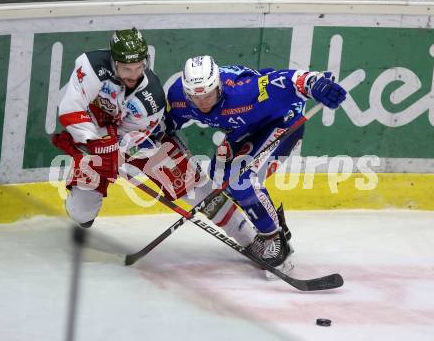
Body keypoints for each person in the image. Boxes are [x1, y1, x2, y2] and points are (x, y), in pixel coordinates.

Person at [51, 28, 260, 256]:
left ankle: (250, 239)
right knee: (81, 213)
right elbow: (71, 107)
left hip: (148, 143)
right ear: (114, 63)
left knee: (197, 190)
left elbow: (131, 139)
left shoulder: (151, 99)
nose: (134, 75)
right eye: (126, 69)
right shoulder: (90, 66)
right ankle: (83, 212)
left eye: (139, 67)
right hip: (96, 137)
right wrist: (89, 141)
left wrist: (109, 150)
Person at [165, 55, 346, 277]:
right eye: (195, 96)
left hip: (283, 122)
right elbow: (167, 124)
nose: (202, 102)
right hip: (248, 129)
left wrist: (315, 83)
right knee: (220, 174)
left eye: (208, 94)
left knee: (240, 180)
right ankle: (274, 223)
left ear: (219, 87)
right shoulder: (178, 95)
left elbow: (286, 80)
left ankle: (274, 239)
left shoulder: (245, 92)